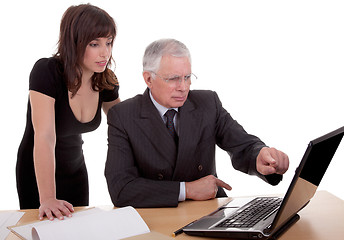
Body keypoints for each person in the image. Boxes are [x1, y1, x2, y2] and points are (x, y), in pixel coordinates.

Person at [105, 38, 289, 208]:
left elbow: (243, 144)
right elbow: (121, 188)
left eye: (187, 77)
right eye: (174, 79)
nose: (183, 87)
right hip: (155, 214)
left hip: (210, 210)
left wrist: (261, 156)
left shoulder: (208, 103)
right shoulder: (123, 116)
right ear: (148, 79)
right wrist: (187, 190)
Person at [16, 3, 120, 220]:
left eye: (108, 42)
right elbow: (44, 136)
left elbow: (125, 124)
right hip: (39, 174)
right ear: (74, 42)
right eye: (94, 43)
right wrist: (47, 198)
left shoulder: (105, 79)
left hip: (76, 171)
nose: (105, 52)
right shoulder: (47, 72)